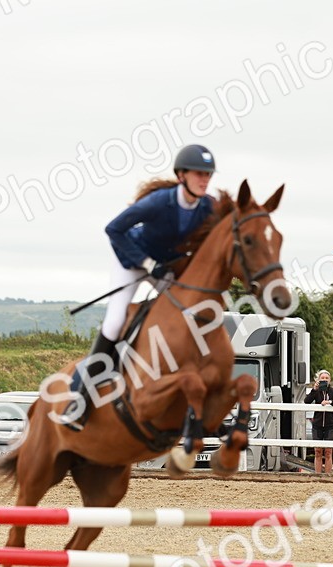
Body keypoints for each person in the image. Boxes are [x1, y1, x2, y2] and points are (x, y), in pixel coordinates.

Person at [62, 144, 217, 430]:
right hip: (131, 261)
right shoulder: (158, 202)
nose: (205, 179)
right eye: (199, 174)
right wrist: (145, 262)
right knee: (115, 321)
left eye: (208, 174)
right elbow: (113, 229)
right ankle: (80, 400)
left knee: (190, 315)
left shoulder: (208, 206)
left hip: (163, 267)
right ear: (181, 175)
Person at [304, 370, 333, 475]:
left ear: (329, 380)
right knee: (317, 452)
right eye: (322, 378)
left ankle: (328, 476)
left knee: (328, 452)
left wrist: (329, 402)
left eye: (326, 378)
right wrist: (314, 389)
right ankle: (318, 475)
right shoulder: (316, 391)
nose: (324, 380)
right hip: (317, 425)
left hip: (330, 425)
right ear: (318, 380)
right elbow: (306, 401)